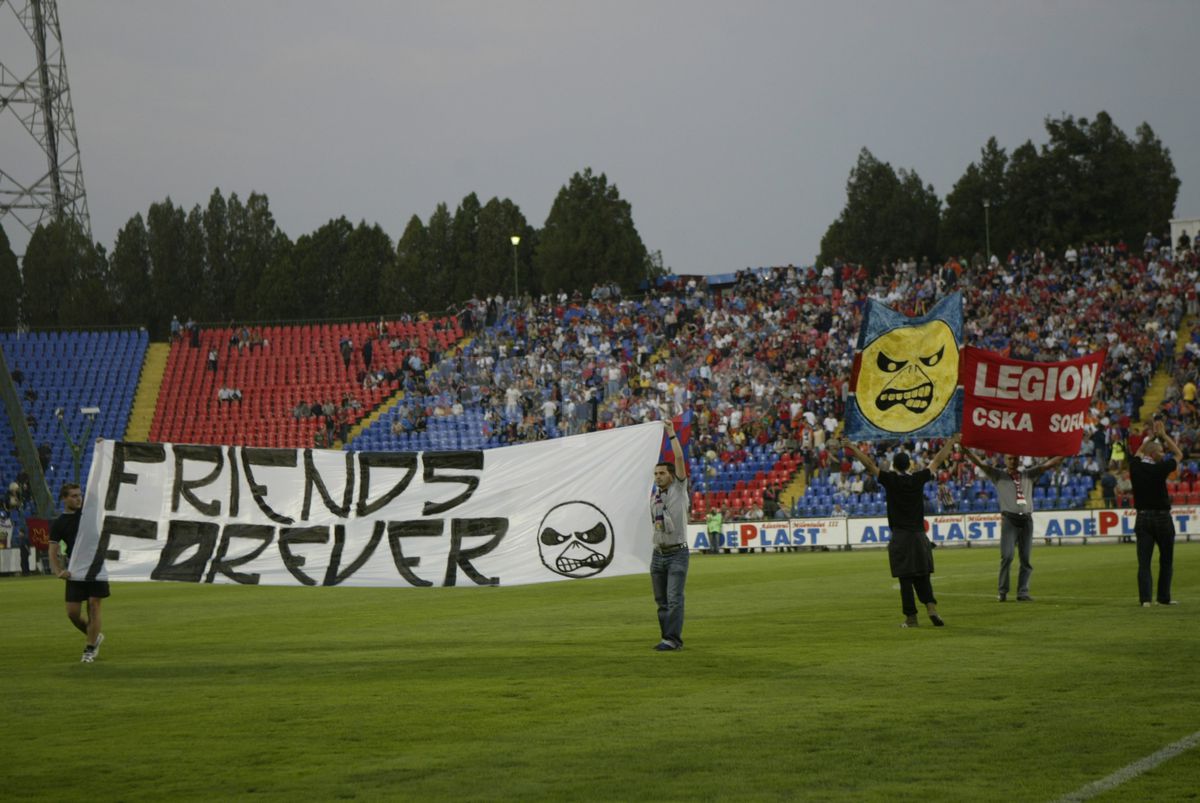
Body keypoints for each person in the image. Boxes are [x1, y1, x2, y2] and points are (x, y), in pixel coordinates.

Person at [841, 435, 958, 628]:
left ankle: (911, 618)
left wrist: (853, 447)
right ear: (909, 465)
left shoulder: (890, 479)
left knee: (906, 579)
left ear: (894, 466)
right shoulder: (919, 478)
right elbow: (937, 460)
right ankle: (932, 608)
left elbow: (870, 464)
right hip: (920, 536)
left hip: (901, 536)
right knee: (923, 576)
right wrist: (951, 442)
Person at [961, 448, 1063, 602]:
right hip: (1010, 520)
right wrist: (965, 451)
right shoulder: (998, 475)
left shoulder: (1028, 474)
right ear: (1005, 460)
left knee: (1026, 559)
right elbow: (980, 464)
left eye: (1015, 459)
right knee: (1007, 556)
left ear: (1019, 460)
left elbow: (1048, 464)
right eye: (1010, 459)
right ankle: (1002, 592)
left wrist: (1065, 452)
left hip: (1027, 520)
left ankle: (1023, 593)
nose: (1012, 461)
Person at [47, 483, 109, 663]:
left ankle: (89, 649)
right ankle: (94, 636)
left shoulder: (89, 515)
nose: (78, 498)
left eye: (79, 495)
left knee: (94, 605)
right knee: (73, 614)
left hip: (96, 566)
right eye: (73, 496)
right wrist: (58, 570)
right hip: (76, 570)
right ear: (64, 498)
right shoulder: (59, 523)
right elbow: (52, 549)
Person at [1128, 418, 1183, 606]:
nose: (1163, 453)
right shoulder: (1162, 468)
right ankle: (1163, 598)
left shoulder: (1136, 468)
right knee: (1166, 560)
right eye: (1160, 451)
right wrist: (1164, 436)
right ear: (1153, 454)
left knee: (1144, 562)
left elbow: (1138, 453)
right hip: (1161, 518)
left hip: (1142, 518)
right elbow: (1179, 454)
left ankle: (1145, 600)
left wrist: (1150, 439)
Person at [650, 419, 689, 651]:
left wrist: (671, 434)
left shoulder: (679, 488)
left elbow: (680, 459)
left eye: (662, 473)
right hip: (658, 554)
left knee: (674, 599)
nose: (657, 476)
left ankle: (673, 639)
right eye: (655, 473)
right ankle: (667, 637)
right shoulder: (654, 495)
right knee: (661, 601)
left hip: (677, 554)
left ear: (672, 475)